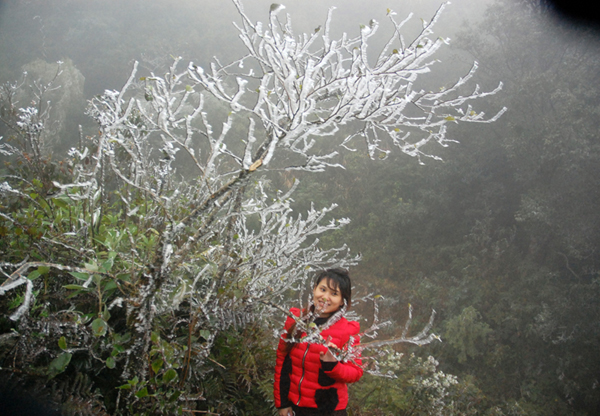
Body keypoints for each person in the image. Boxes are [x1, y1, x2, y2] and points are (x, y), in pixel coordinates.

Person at [274, 268, 363, 416]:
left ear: (342, 301)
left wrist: (332, 365)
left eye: (334, 294)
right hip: (295, 406)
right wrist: (282, 403)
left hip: (328, 409)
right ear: (314, 289)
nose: (326, 297)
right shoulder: (296, 319)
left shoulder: (347, 331)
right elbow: (282, 362)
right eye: (323, 289)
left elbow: (356, 372)